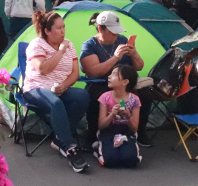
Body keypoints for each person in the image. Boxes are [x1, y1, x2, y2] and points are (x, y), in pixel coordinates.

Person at [22, 11, 90, 172]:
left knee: (83, 96)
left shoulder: (69, 44)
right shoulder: (36, 45)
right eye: (59, 28)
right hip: (36, 88)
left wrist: (65, 85)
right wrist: (60, 51)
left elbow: (75, 73)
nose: (63, 31)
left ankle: (59, 138)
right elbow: (43, 69)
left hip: (60, 88)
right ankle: (70, 148)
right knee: (55, 103)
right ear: (47, 31)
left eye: (64, 27)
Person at [81, 11, 149, 148]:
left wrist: (134, 54)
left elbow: (140, 66)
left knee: (145, 93)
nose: (116, 35)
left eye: (117, 32)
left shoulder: (122, 40)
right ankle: (93, 132)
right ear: (100, 29)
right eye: (112, 32)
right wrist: (115, 58)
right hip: (101, 82)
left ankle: (139, 130)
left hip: (124, 83)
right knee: (97, 95)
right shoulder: (90, 46)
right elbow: (93, 72)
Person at [93, 63, 143, 167]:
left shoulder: (134, 100)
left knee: (131, 161)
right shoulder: (105, 97)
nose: (109, 77)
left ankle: (127, 148)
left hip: (126, 131)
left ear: (125, 82)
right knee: (110, 161)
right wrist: (112, 114)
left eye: (114, 75)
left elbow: (134, 129)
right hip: (109, 130)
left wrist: (128, 116)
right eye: (110, 74)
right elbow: (101, 125)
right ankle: (97, 148)